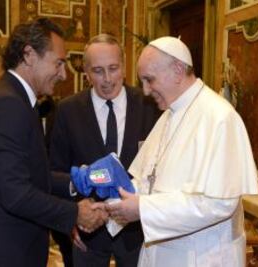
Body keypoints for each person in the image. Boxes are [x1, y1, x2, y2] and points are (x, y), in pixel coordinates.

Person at [0, 18, 108, 267]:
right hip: (2, 254)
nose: (64, 73)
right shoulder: (7, 105)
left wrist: (79, 179)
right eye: (58, 63)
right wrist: (75, 214)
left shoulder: (15, 100)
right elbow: (16, 193)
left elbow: (30, 174)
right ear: (28, 55)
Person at [106, 36, 258, 267]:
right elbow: (148, 178)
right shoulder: (169, 114)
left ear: (178, 70)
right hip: (160, 252)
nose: (146, 91)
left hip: (201, 256)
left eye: (150, 80)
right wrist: (116, 202)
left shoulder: (219, 117)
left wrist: (142, 209)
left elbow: (220, 203)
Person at [50, 34, 160, 267]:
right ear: (86, 73)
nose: (107, 79)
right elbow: (54, 172)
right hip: (88, 231)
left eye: (113, 68)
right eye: (98, 71)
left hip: (138, 231)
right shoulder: (66, 111)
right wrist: (70, 218)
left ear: (124, 67)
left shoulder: (149, 105)